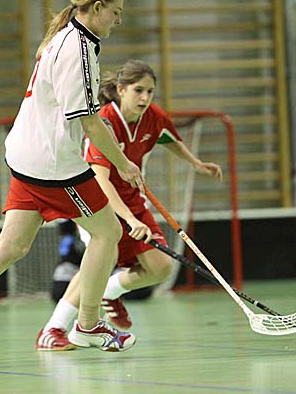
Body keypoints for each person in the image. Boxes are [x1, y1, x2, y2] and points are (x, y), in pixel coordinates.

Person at [0, 0, 143, 366]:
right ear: (98, 7)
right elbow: (88, 123)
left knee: (12, 245)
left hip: (26, 156)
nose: (119, 20)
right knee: (108, 233)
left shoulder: (65, 36)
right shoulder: (78, 48)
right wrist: (123, 165)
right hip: (54, 166)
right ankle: (87, 324)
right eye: (116, 12)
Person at [35, 59, 223, 351]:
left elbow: (168, 138)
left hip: (132, 200)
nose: (145, 98)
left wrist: (196, 163)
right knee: (103, 259)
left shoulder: (153, 116)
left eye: (150, 91)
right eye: (138, 90)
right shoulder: (104, 123)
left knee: (159, 267)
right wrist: (129, 220)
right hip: (95, 202)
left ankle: (109, 292)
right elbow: (101, 181)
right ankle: (53, 329)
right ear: (121, 90)